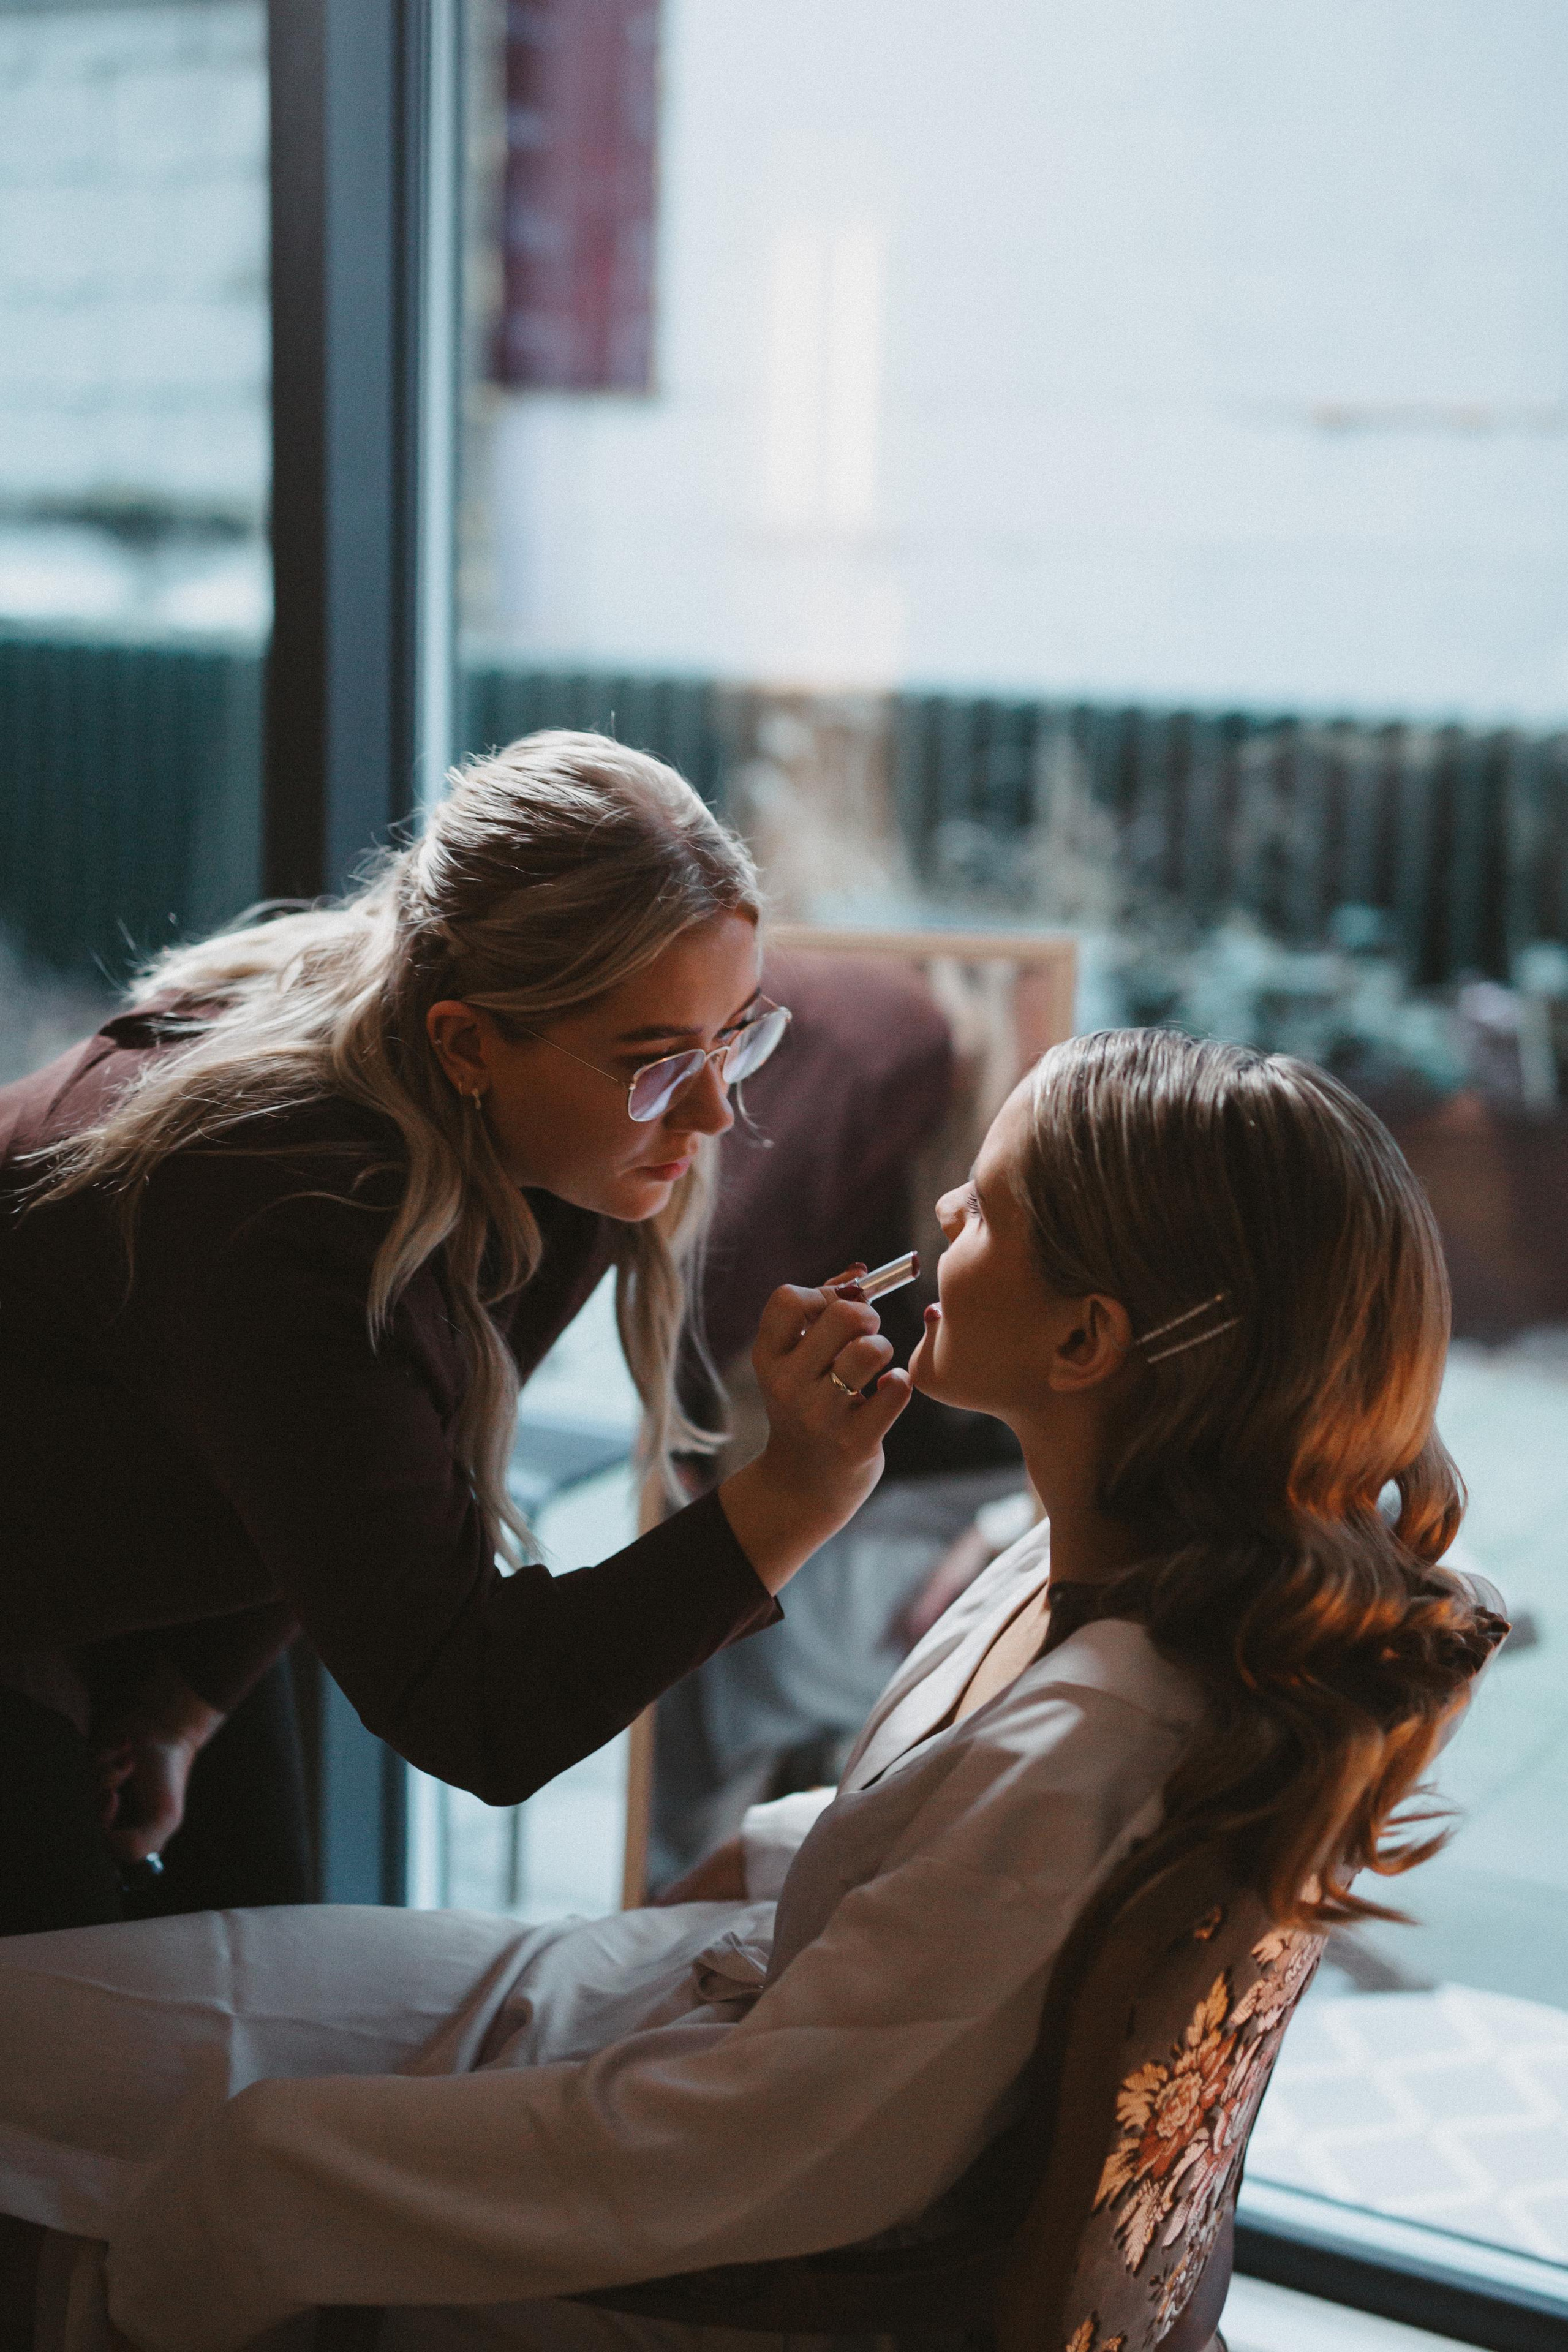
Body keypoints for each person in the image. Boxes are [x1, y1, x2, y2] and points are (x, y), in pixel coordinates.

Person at [0, 1030, 1504, 2352]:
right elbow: (945, 1866)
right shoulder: (1107, 1577)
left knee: (173, 2147)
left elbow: (758, 2152)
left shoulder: (1094, 1730)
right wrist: (761, 1862)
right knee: (44, 2043)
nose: (939, 1211)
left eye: (988, 1204)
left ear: (1082, 1342)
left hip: (708, 2160)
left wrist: (279, 2176)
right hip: (689, 1986)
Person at [0, 731, 913, 1936]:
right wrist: (790, 1497)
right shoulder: (286, 1215)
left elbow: (356, 1470)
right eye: (652, 1064)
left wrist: (184, 1706)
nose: (714, 1107)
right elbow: (473, 1704)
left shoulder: (559, 1148)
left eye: (737, 1033)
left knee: (252, 1957)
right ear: (467, 1041)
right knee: (61, 2065)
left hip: (121, 1513)